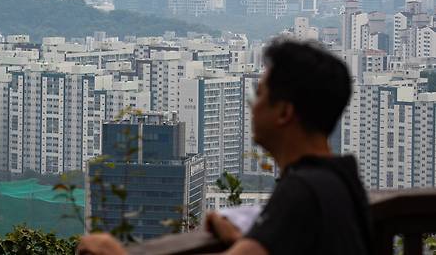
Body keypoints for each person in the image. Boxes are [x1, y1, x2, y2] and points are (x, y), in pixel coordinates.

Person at [78, 38, 372, 255]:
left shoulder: (301, 192)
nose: (252, 108)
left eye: (259, 96)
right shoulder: (342, 180)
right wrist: (246, 243)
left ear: (284, 113)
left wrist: (114, 252)